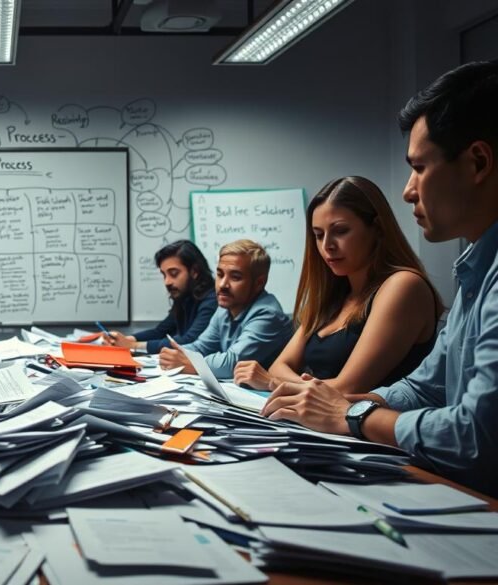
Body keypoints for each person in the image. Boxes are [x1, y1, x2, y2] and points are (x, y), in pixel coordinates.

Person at [263, 60, 498, 497]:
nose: (408, 190)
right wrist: (348, 405)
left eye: (419, 168)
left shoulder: (412, 284)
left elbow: (476, 438)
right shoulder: (475, 271)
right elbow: (425, 386)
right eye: (318, 235)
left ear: (478, 162)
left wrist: (351, 414)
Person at [234, 177, 441, 392]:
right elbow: (279, 367)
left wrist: (274, 383)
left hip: (375, 414)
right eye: (318, 235)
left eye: (340, 231)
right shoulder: (334, 295)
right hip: (313, 414)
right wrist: (285, 381)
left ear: (378, 229)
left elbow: (347, 388)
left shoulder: (404, 285)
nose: (327, 245)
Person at [158, 239, 291, 378]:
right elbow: (202, 347)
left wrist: (192, 364)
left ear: (259, 283)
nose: (222, 285)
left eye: (235, 277)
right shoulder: (225, 307)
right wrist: (175, 355)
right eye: (220, 275)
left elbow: (231, 364)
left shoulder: (268, 314)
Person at [105, 240, 216, 353]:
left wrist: (133, 345)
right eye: (164, 275)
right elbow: (160, 331)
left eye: (174, 273)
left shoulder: (212, 300)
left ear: (194, 271)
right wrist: (124, 340)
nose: (167, 282)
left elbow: (189, 341)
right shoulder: (184, 296)